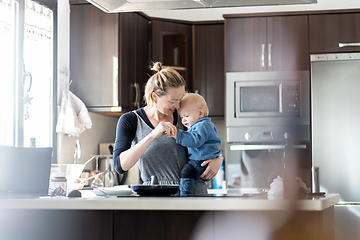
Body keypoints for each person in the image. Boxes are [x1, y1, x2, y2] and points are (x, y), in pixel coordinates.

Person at [113, 62, 222, 196]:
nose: (177, 106)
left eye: (180, 99)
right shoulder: (131, 120)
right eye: (172, 101)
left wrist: (218, 159)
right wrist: (152, 135)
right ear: (154, 96)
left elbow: (207, 138)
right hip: (156, 200)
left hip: (194, 197)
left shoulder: (185, 116)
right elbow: (120, 166)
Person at [171, 93, 222, 196]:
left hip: (201, 162)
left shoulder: (202, 125)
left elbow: (195, 141)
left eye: (186, 116)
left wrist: (178, 135)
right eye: (182, 117)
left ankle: (186, 194)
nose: (183, 120)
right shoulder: (199, 125)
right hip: (202, 160)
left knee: (187, 172)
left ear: (200, 113)